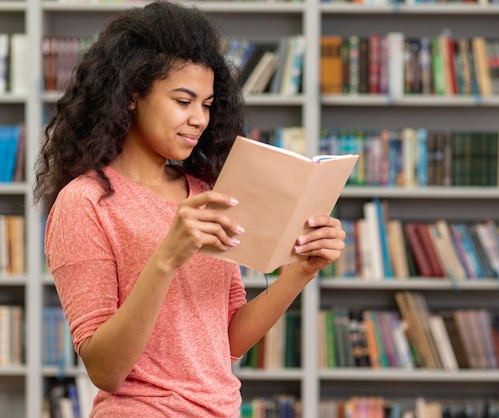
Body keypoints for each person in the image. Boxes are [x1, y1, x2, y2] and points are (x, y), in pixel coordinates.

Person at [33, 2, 346, 417]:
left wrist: (299, 273)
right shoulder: (85, 202)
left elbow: (228, 341)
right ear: (131, 95)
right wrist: (166, 257)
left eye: (207, 104)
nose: (199, 119)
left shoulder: (206, 192)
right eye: (183, 101)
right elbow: (105, 370)